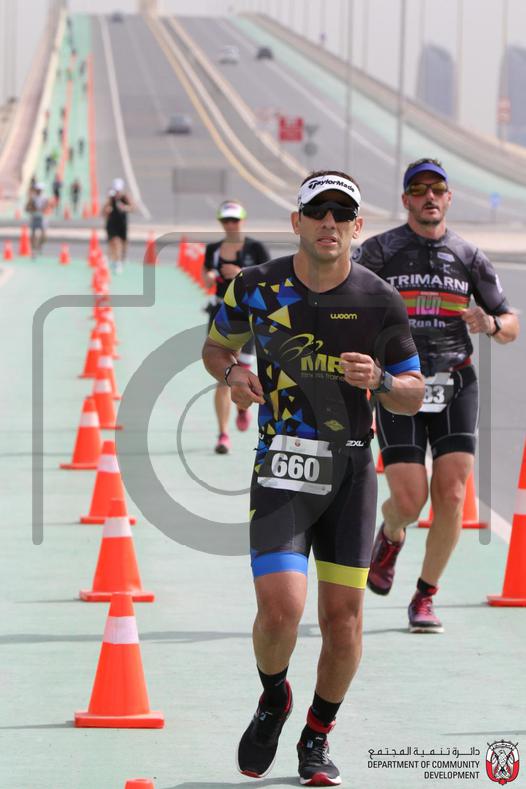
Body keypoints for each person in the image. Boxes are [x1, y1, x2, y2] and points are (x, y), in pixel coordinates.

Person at [202, 170, 424, 785]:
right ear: (296, 222)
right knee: (280, 611)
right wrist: (233, 376)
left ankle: (317, 736)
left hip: (350, 471)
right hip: (282, 465)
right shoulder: (256, 285)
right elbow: (216, 349)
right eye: (318, 212)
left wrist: (381, 380)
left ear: (357, 226)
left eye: (342, 214)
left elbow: (412, 392)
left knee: (343, 621)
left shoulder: (380, 299)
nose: (330, 223)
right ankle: (275, 695)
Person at [352, 157, 520, 634]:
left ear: (448, 198)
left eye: (437, 190)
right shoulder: (380, 251)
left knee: (452, 493)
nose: (429, 197)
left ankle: (424, 595)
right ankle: (391, 533)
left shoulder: (469, 256)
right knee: (409, 501)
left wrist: (490, 323)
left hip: (455, 382)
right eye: (419, 190)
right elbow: (343, 298)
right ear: (406, 199)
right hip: (399, 384)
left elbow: (511, 323)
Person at [202, 200, 269, 454]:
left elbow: (267, 280)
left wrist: (241, 273)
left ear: (242, 220)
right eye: (226, 221)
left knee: (244, 371)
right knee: (223, 376)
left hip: (248, 316)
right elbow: (206, 276)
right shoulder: (213, 249)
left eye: (235, 220)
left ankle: (242, 408)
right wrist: (210, 276)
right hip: (221, 313)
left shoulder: (256, 248)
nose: (230, 225)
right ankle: (222, 434)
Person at [102, 178, 134, 273]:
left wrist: (125, 208)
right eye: (116, 190)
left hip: (122, 224)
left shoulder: (125, 197)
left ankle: (118, 259)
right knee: (115, 242)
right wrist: (107, 210)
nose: (117, 193)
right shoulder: (110, 197)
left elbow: (133, 207)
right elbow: (104, 210)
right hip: (112, 223)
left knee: (123, 244)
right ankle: (116, 262)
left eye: (119, 191)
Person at [26, 183, 49, 257]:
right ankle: (33, 249)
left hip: (42, 218)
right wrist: (32, 209)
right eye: (38, 190)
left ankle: (39, 246)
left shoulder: (45, 198)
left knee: (44, 235)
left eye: (40, 190)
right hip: (34, 217)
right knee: (33, 234)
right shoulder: (32, 198)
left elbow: (48, 207)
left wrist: (44, 209)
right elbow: (27, 208)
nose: (39, 191)